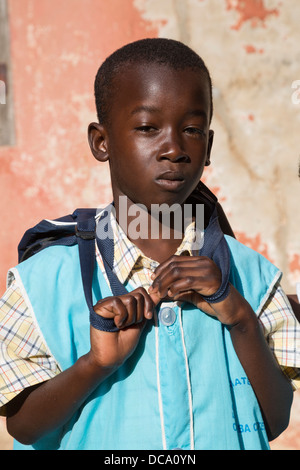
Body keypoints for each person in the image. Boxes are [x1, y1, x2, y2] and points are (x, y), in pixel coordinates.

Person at [0, 38, 299, 451]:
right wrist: (96, 364)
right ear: (101, 142)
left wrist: (240, 317)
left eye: (191, 130)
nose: (174, 149)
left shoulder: (252, 276)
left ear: (208, 147)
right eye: (147, 128)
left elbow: (274, 419)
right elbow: (23, 427)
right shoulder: (42, 284)